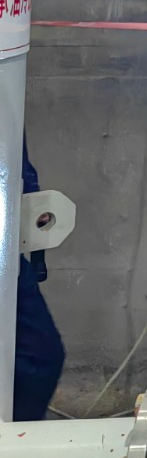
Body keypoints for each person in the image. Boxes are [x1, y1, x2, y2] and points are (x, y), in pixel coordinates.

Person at [13, 142, 65, 421]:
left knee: (41, 356)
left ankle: (16, 439)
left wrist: (31, 197)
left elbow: (11, 151)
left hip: (7, 255)